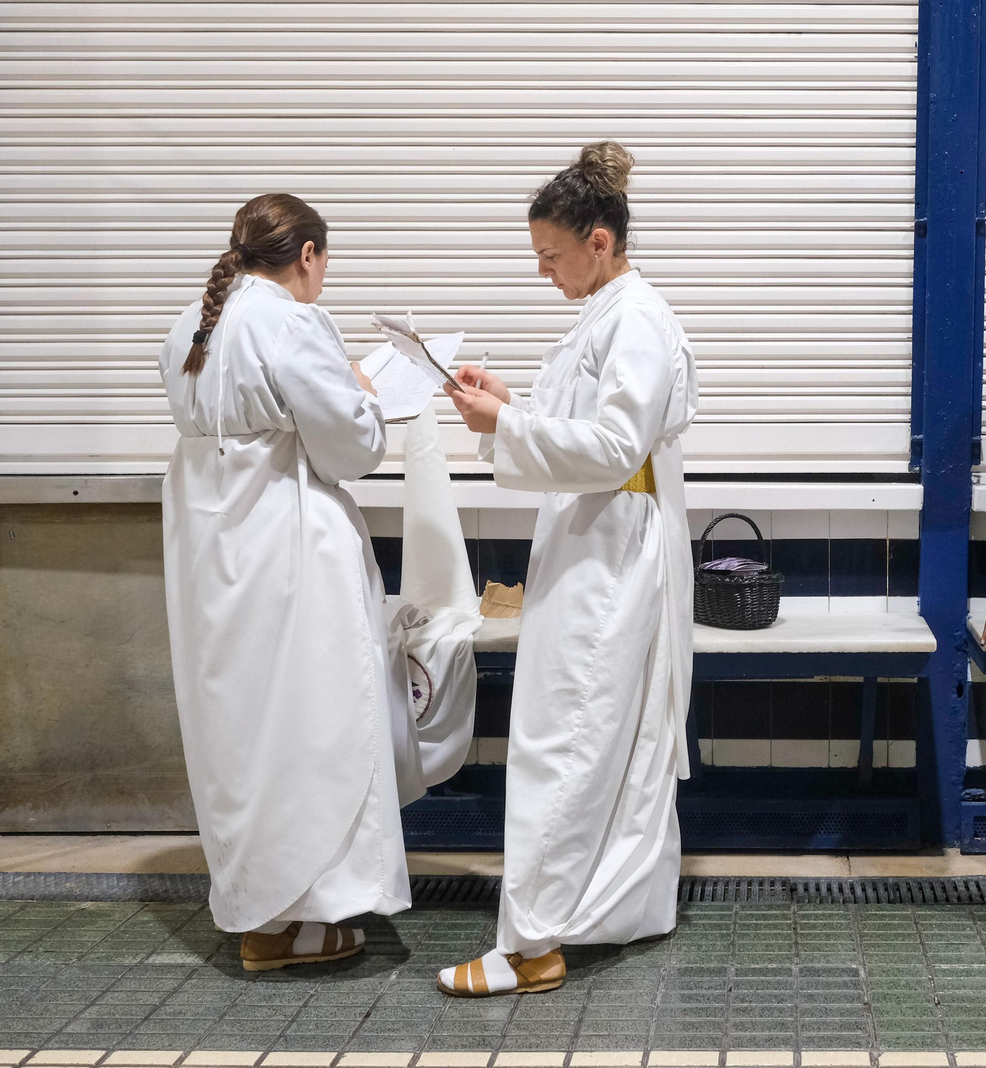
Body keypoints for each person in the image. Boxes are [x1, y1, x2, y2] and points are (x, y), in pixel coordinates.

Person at [438, 141, 698, 997]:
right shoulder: (607, 314)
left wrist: (506, 428)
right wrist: (510, 403)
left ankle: (534, 944)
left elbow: (617, 446)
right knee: (594, 741)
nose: (544, 272)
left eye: (552, 256)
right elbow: (583, 422)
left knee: (565, 739)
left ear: (599, 239)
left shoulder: (638, 321)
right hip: (595, 542)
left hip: (611, 559)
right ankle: (602, 911)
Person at [160, 193, 418, 970]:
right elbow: (350, 449)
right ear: (307, 255)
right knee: (312, 721)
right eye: (325, 263)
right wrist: (369, 399)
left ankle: (258, 915)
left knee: (238, 730)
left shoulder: (188, 326)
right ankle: (309, 917)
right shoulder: (293, 321)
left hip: (210, 546)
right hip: (288, 545)